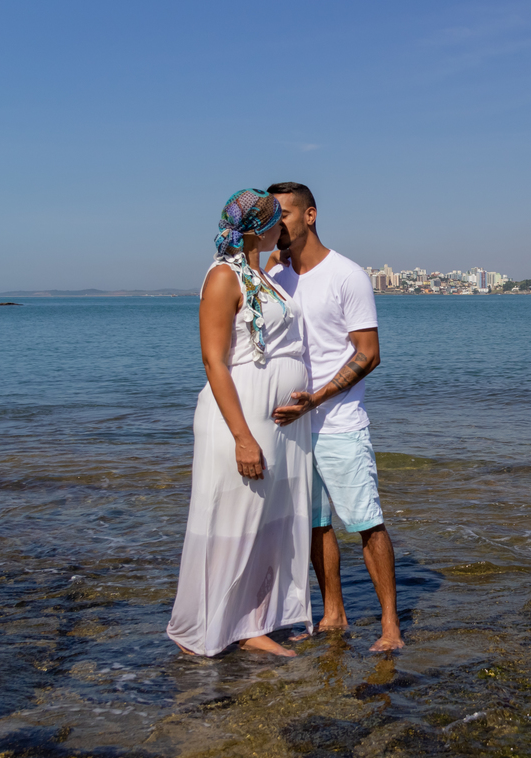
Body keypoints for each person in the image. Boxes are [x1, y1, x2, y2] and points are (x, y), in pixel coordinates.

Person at [166, 189, 313, 658]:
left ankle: (249, 622)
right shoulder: (222, 277)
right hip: (239, 416)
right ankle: (204, 630)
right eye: (275, 222)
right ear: (257, 229)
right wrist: (243, 437)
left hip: (274, 419)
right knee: (229, 520)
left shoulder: (259, 274)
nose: (281, 229)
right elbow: (214, 362)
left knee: (263, 521)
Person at [265, 181, 404, 652]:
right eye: (270, 215)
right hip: (294, 427)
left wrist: (318, 398)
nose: (275, 223)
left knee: (366, 522)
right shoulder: (277, 275)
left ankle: (390, 627)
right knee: (314, 524)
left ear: (310, 215)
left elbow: (369, 353)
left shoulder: (347, 275)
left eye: (283, 213)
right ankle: (334, 614)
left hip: (340, 422)